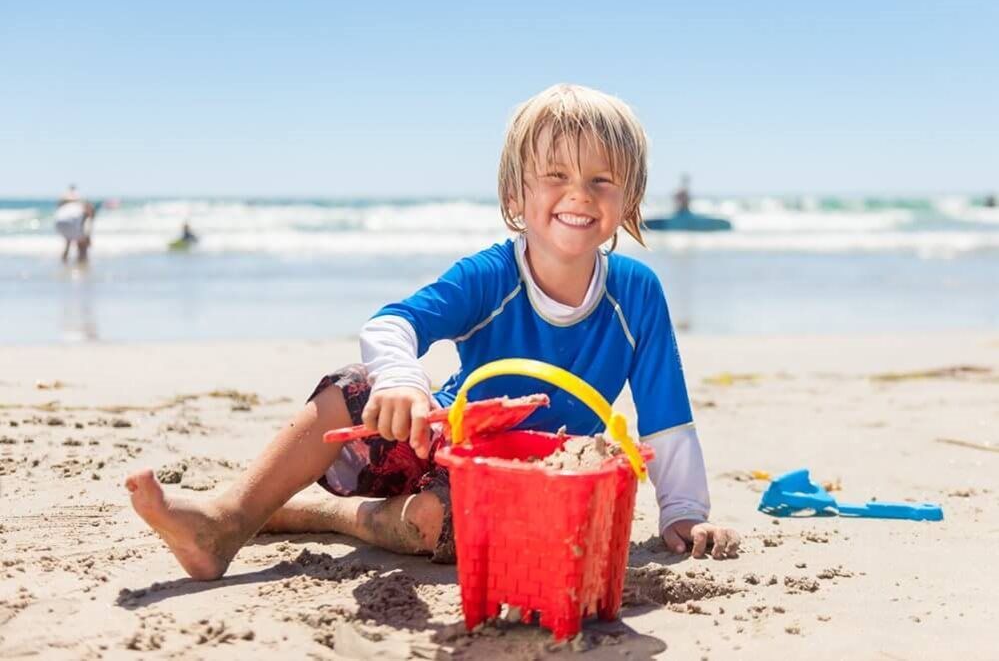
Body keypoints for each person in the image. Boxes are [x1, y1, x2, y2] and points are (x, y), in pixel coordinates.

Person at [124, 84, 740, 582]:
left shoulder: (636, 294)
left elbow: (667, 418)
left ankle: (324, 512)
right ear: (515, 194)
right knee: (352, 386)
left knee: (440, 526)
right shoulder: (490, 276)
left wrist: (685, 514)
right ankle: (228, 518)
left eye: (601, 180)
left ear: (628, 196)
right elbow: (391, 324)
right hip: (439, 436)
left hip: (527, 479)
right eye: (555, 175)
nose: (578, 194)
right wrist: (401, 380)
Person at [54, 185, 98, 263]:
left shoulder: (65, 199)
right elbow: (88, 217)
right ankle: (82, 265)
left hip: (58, 222)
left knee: (68, 242)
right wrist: (88, 236)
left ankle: (64, 264)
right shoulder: (80, 200)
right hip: (72, 221)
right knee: (82, 245)